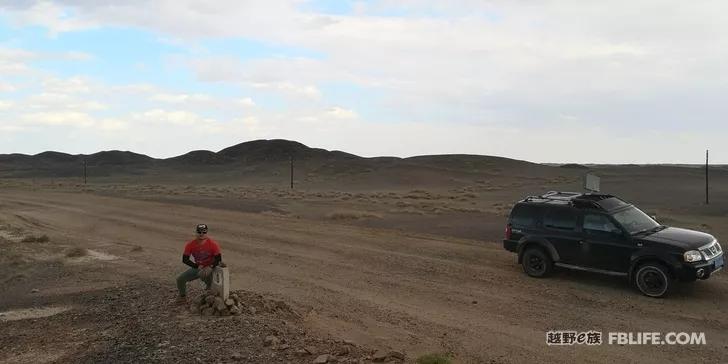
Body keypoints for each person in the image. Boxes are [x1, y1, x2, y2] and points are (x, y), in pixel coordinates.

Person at [176, 224, 222, 300]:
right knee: (180, 279)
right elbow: (185, 259)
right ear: (196, 232)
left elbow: (219, 259)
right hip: (199, 267)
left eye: (204, 232)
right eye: (199, 232)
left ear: (207, 233)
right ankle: (182, 297)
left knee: (204, 274)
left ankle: (210, 289)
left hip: (211, 267)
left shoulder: (213, 244)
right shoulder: (190, 245)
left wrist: (211, 266)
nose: (201, 234)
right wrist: (196, 266)